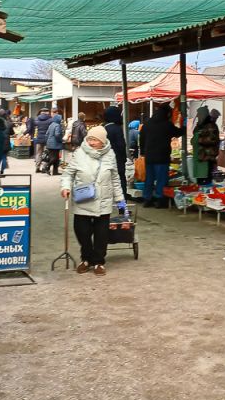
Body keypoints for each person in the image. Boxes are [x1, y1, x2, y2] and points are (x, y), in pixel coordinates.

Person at [59, 126, 125, 276]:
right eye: (89, 139)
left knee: (101, 235)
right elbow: (68, 174)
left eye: (95, 140)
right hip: (84, 199)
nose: (91, 142)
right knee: (82, 231)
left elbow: (115, 180)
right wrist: (65, 187)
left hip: (104, 200)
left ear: (103, 141)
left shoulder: (110, 155)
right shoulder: (79, 153)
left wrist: (121, 202)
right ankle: (86, 258)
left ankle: (99, 262)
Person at [140, 103, 183, 208]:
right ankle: (160, 200)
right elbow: (177, 133)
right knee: (161, 179)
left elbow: (141, 139)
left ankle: (147, 199)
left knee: (149, 179)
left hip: (149, 156)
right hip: (162, 156)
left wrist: (142, 152)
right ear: (167, 113)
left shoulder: (147, 123)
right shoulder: (166, 124)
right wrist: (184, 127)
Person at [191, 106, 220, 184]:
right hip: (200, 157)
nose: (198, 117)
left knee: (206, 181)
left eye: (199, 115)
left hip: (207, 157)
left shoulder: (211, 126)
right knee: (199, 180)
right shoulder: (199, 125)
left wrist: (198, 139)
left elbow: (212, 140)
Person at [103, 105, 128, 196]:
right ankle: (122, 207)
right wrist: (124, 158)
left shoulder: (103, 128)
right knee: (120, 186)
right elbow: (121, 146)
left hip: (105, 162)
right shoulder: (117, 129)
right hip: (117, 161)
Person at [0, 108, 15, 176]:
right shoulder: (9, 123)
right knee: (4, 157)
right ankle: (2, 171)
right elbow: (12, 133)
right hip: (6, 143)